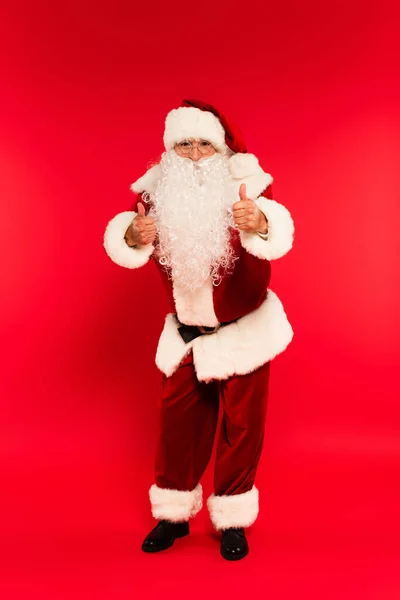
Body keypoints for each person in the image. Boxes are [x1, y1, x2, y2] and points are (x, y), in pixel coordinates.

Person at [103, 99, 294, 560]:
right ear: (169, 151)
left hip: (243, 332)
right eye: (183, 144)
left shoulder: (248, 188)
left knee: (242, 427)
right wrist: (132, 237)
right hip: (186, 332)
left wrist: (261, 222)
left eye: (203, 145)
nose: (192, 154)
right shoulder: (155, 195)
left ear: (221, 149)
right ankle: (172, 516)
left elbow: (279, 236)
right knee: (178, 426)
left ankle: (231, 520)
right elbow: (125, 238)